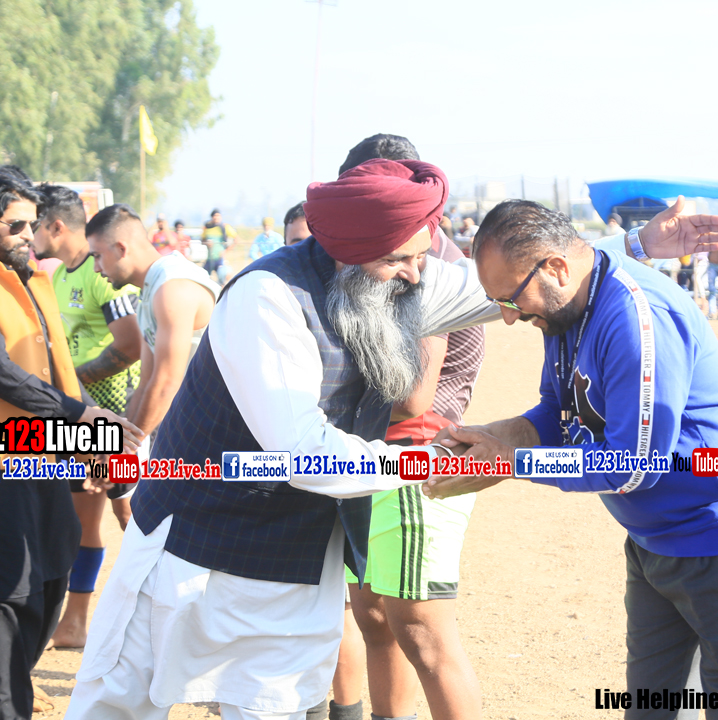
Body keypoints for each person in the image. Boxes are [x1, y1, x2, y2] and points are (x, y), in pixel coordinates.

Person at [65, 159, 502, 720]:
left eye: (423, 257)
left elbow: (513, 280)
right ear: (348, 252)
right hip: (193, 553)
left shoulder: (397, 279)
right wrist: (424, 464)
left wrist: (609, 255)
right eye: (399, 259)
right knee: (118, 707)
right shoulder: (268, 296)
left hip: (297, 565)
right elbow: (302, 453)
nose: (416, 275)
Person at [425, 199, 718, 720]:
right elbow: (558, 412)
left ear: (556, 267)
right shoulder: (567, 309)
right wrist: (493, 438)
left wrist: (512, 462)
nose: (508, 317)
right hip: (653, 541)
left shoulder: (635, 316)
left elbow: (632, 466)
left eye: (511, 299)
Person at [0, 166, 140, 720]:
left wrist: (95, 440)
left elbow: (58, 371)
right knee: (4, 588)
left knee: (54, 563)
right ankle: (4, 708)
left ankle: (14, 686)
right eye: (16, 225)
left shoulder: (33, 279)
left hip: (37, 449)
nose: (30, 234)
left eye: (33, 223)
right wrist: (81, 415)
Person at [334, 134, 487, 720]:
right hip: (373, 461)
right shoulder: (389, 259)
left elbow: (410, 398)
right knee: (375, 620)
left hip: (415, 463)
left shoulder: (427, 270)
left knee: (424, 636)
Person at [30, 184, 143, 649]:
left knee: (127, 515)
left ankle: (146, 616)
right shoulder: (58, 276)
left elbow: (131, 345)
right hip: (76, 419)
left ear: (56, 226)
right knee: (85, 518)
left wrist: (73, 382)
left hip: (112, 419)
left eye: (33, 225)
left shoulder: (103, 278)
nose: (29, 235)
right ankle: (77, 619)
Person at [86, 204, 219, 451]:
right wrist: (118, 445)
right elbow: (147, 383)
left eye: (97, 256)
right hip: (195, 424)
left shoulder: (172, 287)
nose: (96, 268)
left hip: (223, 428)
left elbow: (166, 383)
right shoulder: (151, 289)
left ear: (121, 249)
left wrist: (123, 451)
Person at [201, 208, 237, 283]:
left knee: (223, 278)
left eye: (218, 216)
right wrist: (207, 243)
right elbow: (202, 240)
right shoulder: (207, 227)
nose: (216, 218)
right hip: (209, 259)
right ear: (212, 217)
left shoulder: (224, 227)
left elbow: (236, 239)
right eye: (215, 216)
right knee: (203, 278)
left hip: (220, 259)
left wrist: (226, 251)